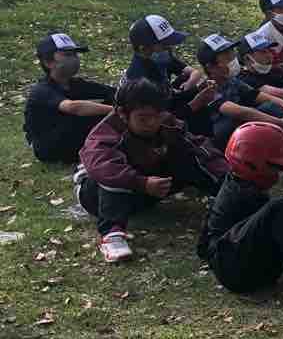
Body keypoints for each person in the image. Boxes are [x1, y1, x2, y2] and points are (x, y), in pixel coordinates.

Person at [75, 77, 228, 264]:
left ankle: (228, 199)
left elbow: (199, 147)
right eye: (143, 118)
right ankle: (112, 235)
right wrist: (142, 183)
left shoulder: (167, 123)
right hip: (98, 197)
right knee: (112, 173)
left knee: (191, 153)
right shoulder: (105, 134)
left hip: (146, 188)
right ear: (122, 113)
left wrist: (228, 177)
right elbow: (103, 166)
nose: (151, 123)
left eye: (157, 116)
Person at [197, 122, 283, 305]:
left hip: (250, 262)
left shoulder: (244, 184)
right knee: (280, 207)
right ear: (252, 163)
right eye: (274, 167)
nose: (278, 174)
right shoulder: (238, 192)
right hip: (234, 272)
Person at [195, 34, 283, 154]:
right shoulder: (206, 88)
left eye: (232, 54)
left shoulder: (232, 81)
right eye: (227, 57)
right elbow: (241, 112)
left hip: (240, 127)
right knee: (252, 120)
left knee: (269, 106)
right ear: (211, 67)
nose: (233, 59)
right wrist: (280, 122)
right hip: (222, 137)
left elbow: (267, 98)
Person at [24, 32, 116, 163]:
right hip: (46, 147)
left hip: (66, 137)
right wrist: (117, 111)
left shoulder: (76, 84)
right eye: (68, 55)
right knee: (89, 117)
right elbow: (73, 107)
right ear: (48, 62)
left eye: (75, 54)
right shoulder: (41, 90)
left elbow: (112, 92)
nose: (74, 59)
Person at [125, 14, 216, 133]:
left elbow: (170, 98)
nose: (170, 48)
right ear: (144, 49)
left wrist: (198, 89)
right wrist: (196, 103)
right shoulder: (140, 82)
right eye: (164, 45)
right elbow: (159, 121)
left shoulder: (158, 60)